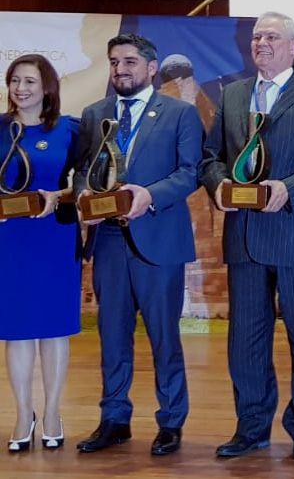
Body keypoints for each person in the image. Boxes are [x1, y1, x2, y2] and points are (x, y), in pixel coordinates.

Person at [200, 11, 294, 462]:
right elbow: (211, 158)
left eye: (272, 37)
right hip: (243, 238)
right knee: (246, 339)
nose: (262, 43)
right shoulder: (234, 95)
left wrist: (289, 189)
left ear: (293, 47)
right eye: (257, 36)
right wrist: (219, 184)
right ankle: (252, 426)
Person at [73, 33, 204, 456]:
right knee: (112, 336)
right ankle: (114, 419)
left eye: (129, 61)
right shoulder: (94, 114)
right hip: (109, 241)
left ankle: (170, 422)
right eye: (114, 62)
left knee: (165, 337)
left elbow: (189, 173)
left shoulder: (180, 113)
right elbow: (80, 173)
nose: (120, 69)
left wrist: (149, 196)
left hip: (158, 237)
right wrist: (82, 200)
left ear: (151, 68)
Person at [0, 55, 79, 452]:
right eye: (15, 81)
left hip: (53, 238)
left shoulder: (69, 129)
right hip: (9, 241)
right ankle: (21, 413)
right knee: (16, 330)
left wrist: (59, 195)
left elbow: (87, 185)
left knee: (53, 329)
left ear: (46, 86)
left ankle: (51, 413)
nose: (21, 88)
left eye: (29, 81)